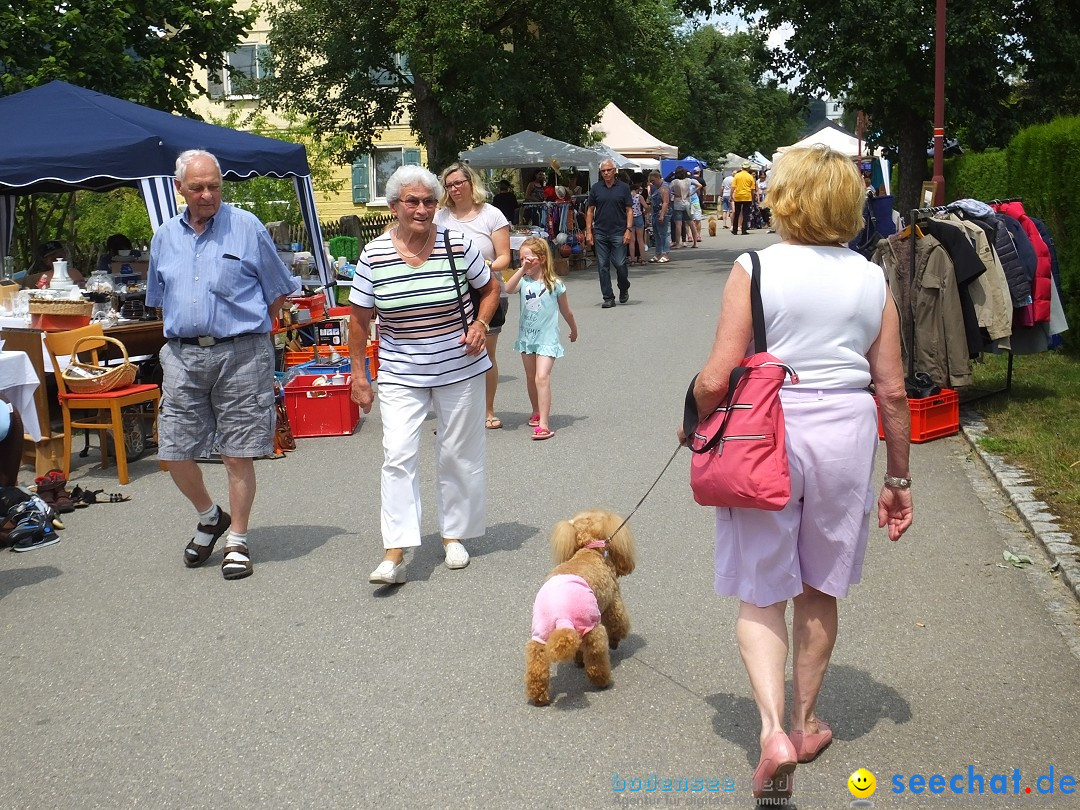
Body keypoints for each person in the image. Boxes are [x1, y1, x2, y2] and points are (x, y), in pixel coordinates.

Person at [681, 145, 913, 802]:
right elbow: (892, 390)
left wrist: (696, 418)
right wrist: (898, 478)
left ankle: (772, 731)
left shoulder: (754, 267)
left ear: (783, 198)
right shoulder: (872, 277)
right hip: (845, 432)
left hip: (766, 433)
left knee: (762, 588)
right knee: (820, 586)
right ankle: (808, 721)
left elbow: (718, 377)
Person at [147, 149, 299, 582]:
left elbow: (278, 291)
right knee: (174, 449)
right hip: (182, 355)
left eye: (214, 185)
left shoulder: (247, 226)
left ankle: (238, 539)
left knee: (237, 452)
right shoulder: (164, 237)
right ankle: (210, 515)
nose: (207, 194)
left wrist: (245, 330)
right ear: (181, 189)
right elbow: (161, 300)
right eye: (197, 187)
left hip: (241, 353)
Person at [348, 164, 499, 586]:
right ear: (394, 205)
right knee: (397, 453)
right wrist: (359, 375)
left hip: (459, 366)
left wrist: (481, 324)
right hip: (400, 370)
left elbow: (489, 288)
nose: (422, 208)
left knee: (457, 452)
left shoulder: (457, 242)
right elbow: (359, 320)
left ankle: (453, 535)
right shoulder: (374, 254)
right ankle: (394, 550)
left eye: (429, 201)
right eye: (412, 201)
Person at [435, 161, 512, 431]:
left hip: (487, 290)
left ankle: (488, 410)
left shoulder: (491, 214)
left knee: (485, 354)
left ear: (471, 183)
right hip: (450, 294)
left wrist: (485, 266)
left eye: (459, 182)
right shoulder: (440, 217)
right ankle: (456, 413)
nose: (455, 188)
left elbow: (504, 256)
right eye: (449, 185)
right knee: (452, 353)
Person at [504, 237, 577, 440]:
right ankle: (536, 410)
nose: (525, 262)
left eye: (529, 259)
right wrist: (521, 269)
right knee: (530, 377)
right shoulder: (523, 282)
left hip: (547, 338)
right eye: (521, 258)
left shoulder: (555, 284)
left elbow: (567, 311)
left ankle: (544, 424)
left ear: (542, 259)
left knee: (541, 377)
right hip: (527, 338)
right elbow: (508, 289)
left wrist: (574, 329)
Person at [585, 159, 633, 308]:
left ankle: (623, 287)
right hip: (600, 232)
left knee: (619, 263)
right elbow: (590, 210)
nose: (606, 173)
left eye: (609, 170)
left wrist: (628, 229)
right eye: (603, 171)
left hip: (619, 231)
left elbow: (629, 210)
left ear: (614, 171)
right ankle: (608, 297)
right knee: (602, 266)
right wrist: (589, 232)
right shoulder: (596, 188)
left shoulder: (623, 188)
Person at [647, 170, 670, 264]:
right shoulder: (657, 187)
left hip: (662, 213)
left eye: (653, 181)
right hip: (655, 213)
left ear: (657, 178)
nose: (652, 183)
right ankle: (658, 253)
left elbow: (665, 202)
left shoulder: (664, 187)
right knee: (656, 235)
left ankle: (665, 254)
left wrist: (662, 215)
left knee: (663, 234)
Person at [731, 161, 756, 235]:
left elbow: (733, 187)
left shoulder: (737, 175)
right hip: (747, 196)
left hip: (738, 196)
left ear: (742, 168)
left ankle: (735, 230)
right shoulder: (750, 176)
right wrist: (752, 198)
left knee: (737, 213)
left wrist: (731, 195)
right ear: (748, 168)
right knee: (745, 214)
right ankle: (744, 230)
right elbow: (752, 189)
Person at [629, 183, 648, 265]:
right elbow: (646, 206)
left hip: (630, 218)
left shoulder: (627, 197)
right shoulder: (639, 196)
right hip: (639, 216)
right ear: (636, 189)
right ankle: (643, 259)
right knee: (640, 240)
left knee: (632, 240)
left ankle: (632, 259)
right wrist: (645, 212)